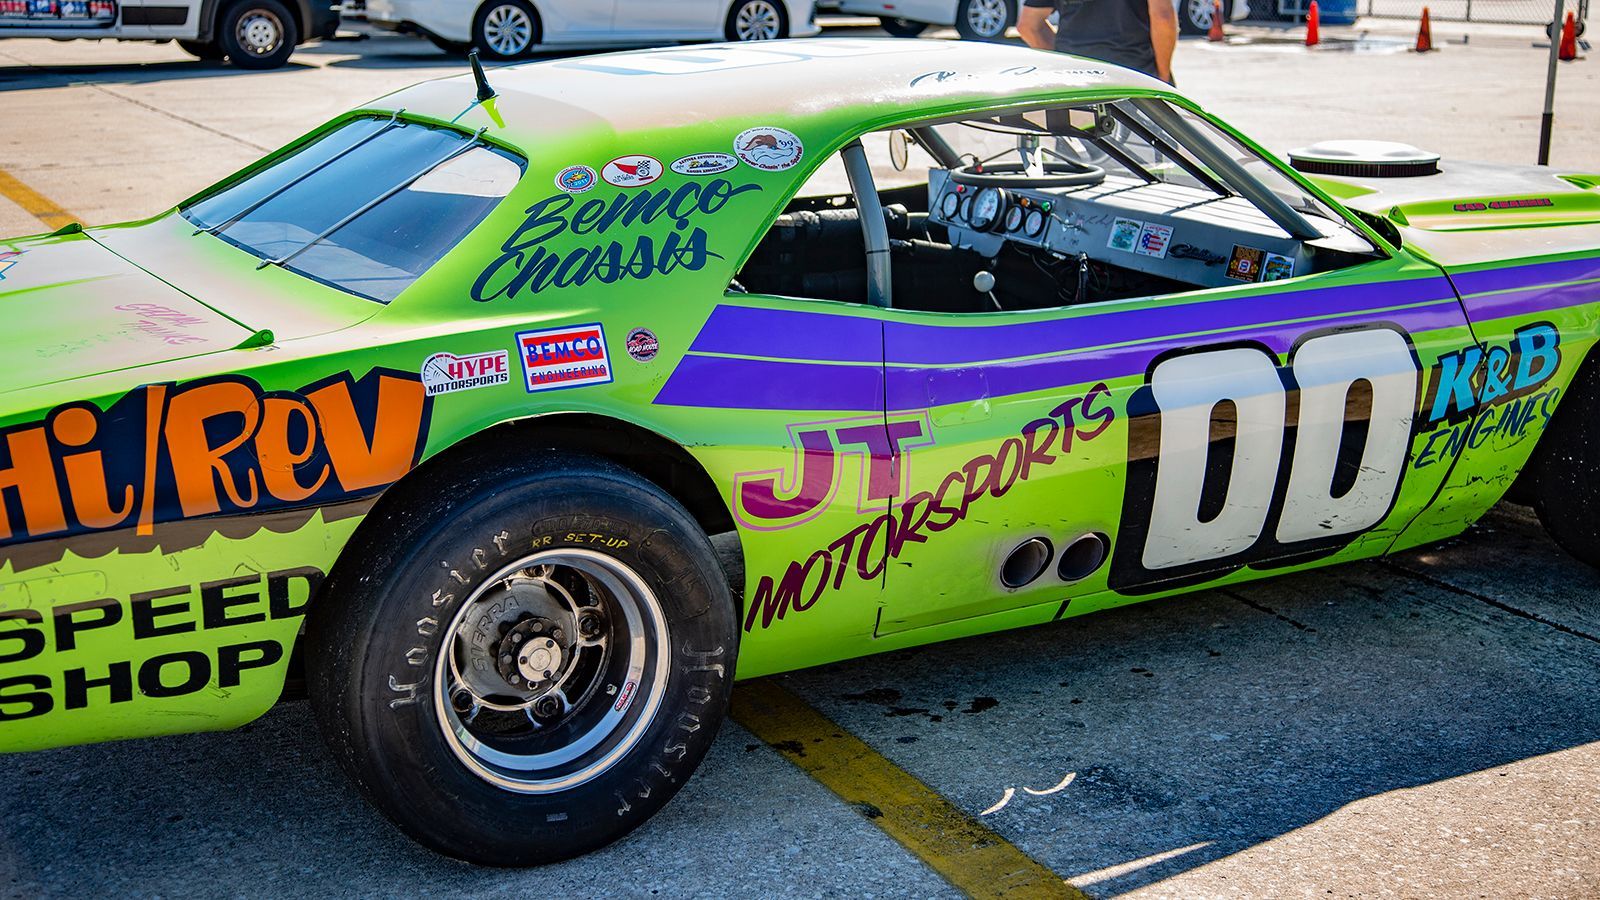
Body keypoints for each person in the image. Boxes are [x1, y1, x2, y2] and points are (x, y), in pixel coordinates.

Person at [1018, 0, 1178, 85]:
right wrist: (1162, 77)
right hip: (1134, 80)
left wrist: (1067, 60)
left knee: (1074, 144)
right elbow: (1162, 17)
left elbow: (1029, 26)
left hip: (1073, 84)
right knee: (1148, 146)